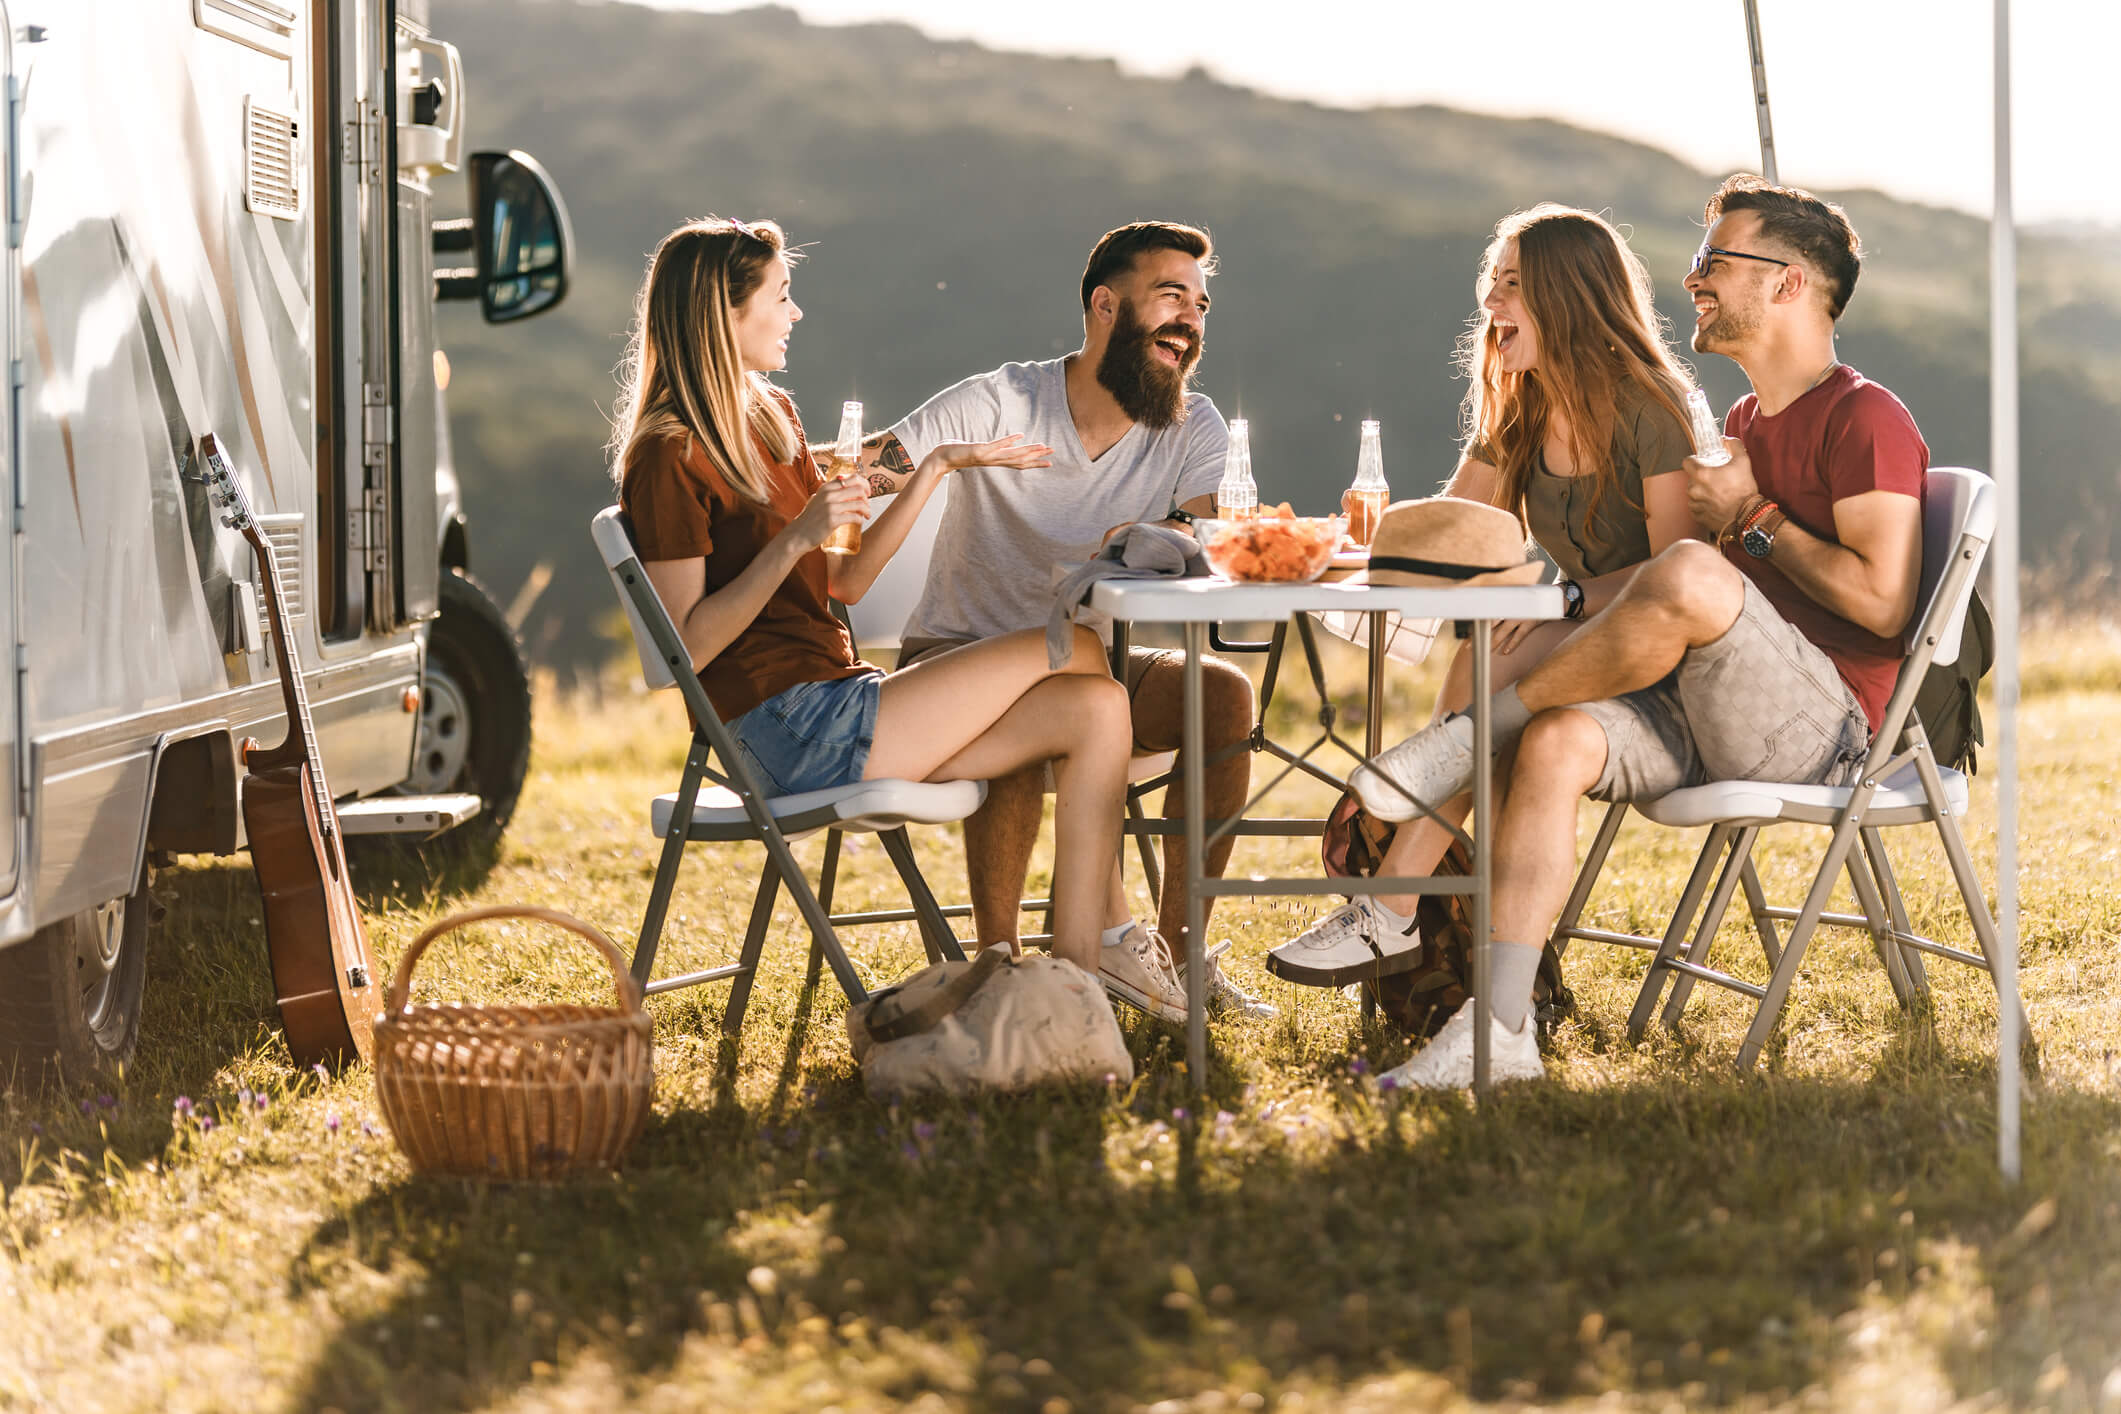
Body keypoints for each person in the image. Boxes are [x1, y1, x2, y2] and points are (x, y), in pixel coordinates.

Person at [1347, 175, 1929, 1088]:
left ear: (1785, 281)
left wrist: (1754, 517)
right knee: (1555, 742)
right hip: (1703, 706)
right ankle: (1498, 1030)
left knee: (1689, 567)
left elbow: (1885, 608)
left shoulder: (1865, 418)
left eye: (1714, 260)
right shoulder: (1741, 421)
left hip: (1826, 732)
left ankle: (1465, 742)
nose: (1692, 278)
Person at [612, 217, 1144, 977]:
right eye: (781, 297)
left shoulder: (772, 415)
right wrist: (792, 538)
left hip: (839, 700)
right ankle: (1100, 954)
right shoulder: (669, 454)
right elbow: (684, 651)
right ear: (724, 315)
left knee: (1097, 706)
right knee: (1079, 648)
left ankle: (1076, 975)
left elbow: (846, 583)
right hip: (785, 730)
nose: (795, 314)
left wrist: (936, 469)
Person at [834, 221, 1267, 1023]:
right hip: (960, 659)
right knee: (1041, 710)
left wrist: (1161, 536)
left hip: (1097, 663)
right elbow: (851, 476)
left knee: (1222, 695)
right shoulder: (1000, 401)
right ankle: (997, 967)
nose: (1190, 320)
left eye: (1201, 306)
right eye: (1170, 296)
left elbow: (1210, 533)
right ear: (1105, 305)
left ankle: (1170, 958)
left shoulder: (1192, 425)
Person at [1268, 204, 1703, 987]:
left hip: (1656, 648)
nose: (1490, 304)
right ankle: (1395, 911)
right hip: (1563, 634)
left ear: (1566, 294)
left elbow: (1680, 568)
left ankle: (1391, 909)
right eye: (1489, 283)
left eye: (1510, 285)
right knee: (1488, 651)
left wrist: (1564, 600)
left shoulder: (1650, 406)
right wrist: (1336, 542)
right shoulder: (1523, 402)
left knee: (1490, 672)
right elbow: (1454, 532)